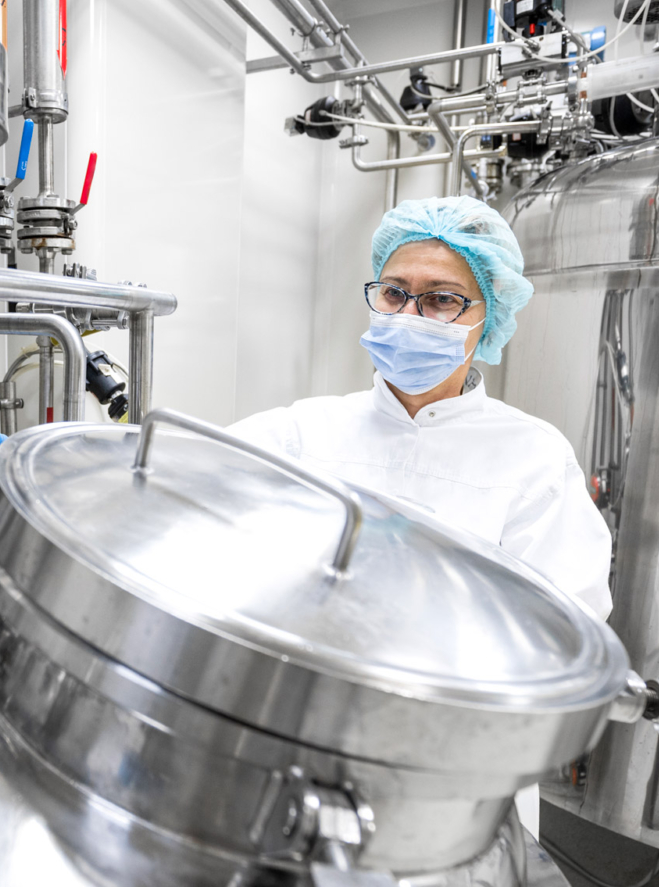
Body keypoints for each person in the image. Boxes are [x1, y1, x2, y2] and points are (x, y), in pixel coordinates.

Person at [230, 197, 612, 619]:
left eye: (442, 299)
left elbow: (565, 626)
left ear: (489, 314)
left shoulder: (534, 462)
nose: (408, 315)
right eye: (394, 293)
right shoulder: (297, 434)